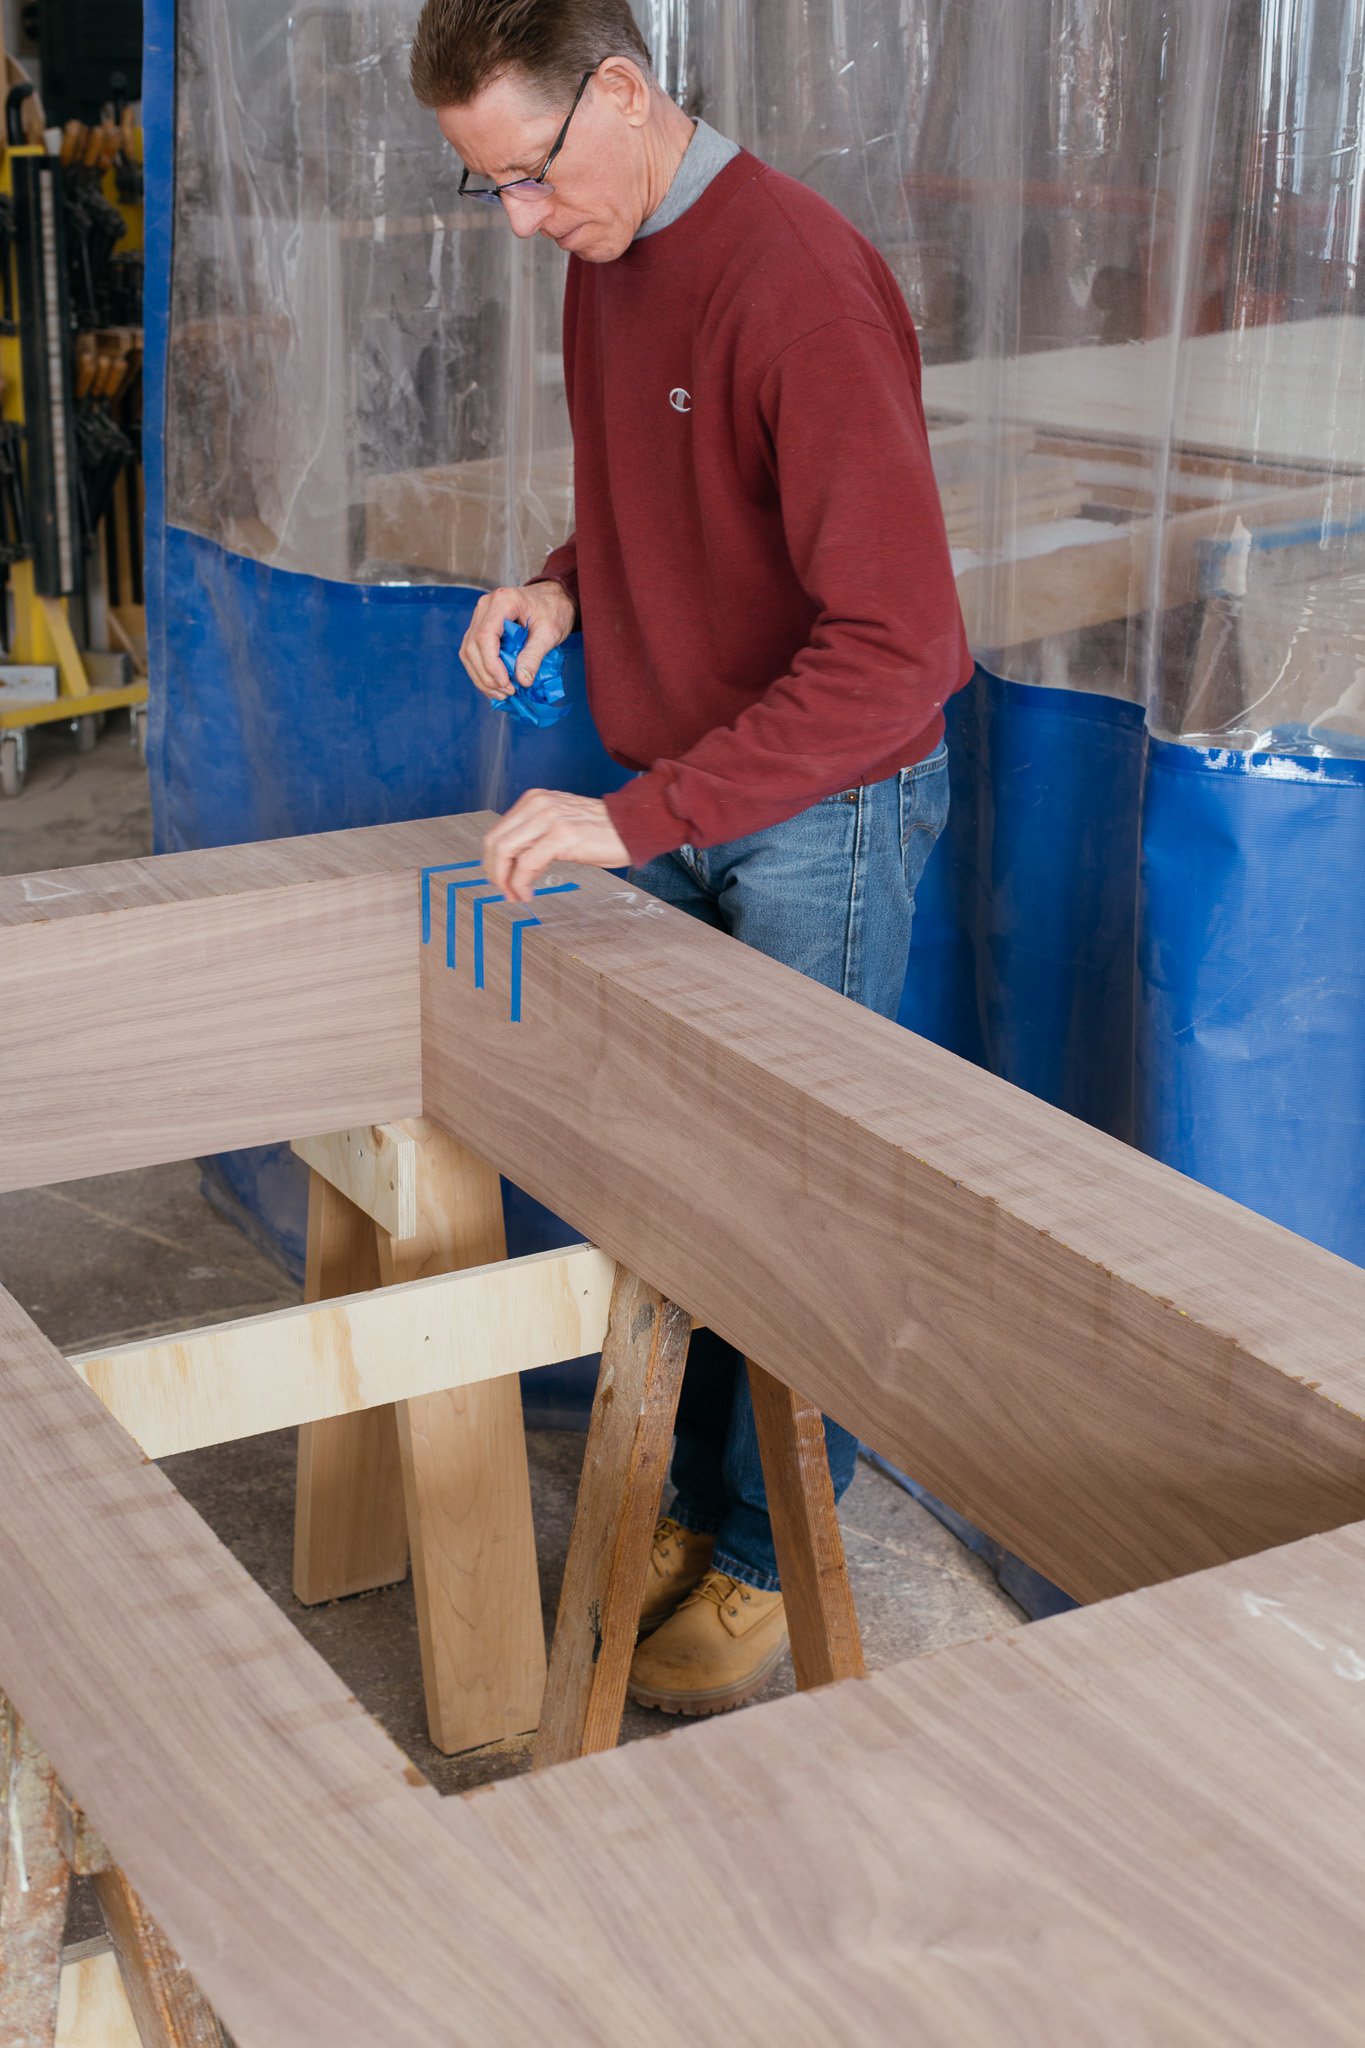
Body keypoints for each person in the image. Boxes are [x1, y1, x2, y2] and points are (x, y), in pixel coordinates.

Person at [411, 0, 972, 1715]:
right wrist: (561, 584)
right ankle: (700, 1502)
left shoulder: (794, 284)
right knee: (695, 1172)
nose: (522, 222)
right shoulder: (610, 247)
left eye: (528, 175)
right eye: (489, 191)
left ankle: (763, 1551)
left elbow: (901, 652)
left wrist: (632, 821)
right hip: (697, 789)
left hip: (821, 815)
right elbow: (676, 497)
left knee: (794, 1203)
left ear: (623, 91)